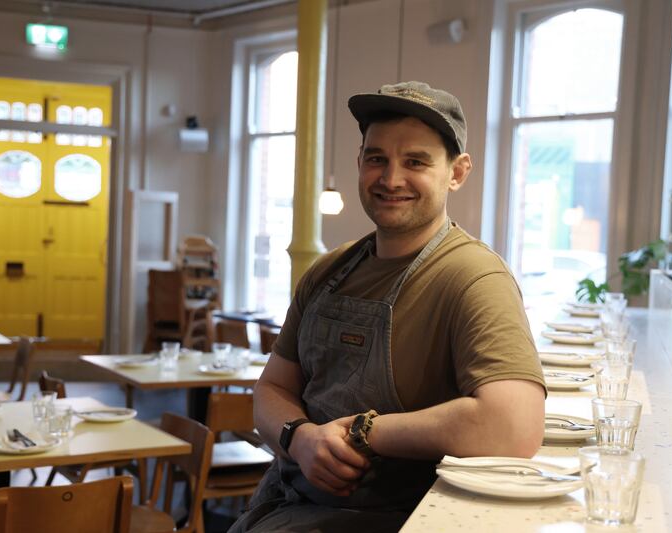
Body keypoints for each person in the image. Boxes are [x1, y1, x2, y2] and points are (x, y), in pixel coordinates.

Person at [229, 81, 546, 532]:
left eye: (415, 161)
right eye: (377, 158)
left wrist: (363, 433)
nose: (391, 178)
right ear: (359, 163)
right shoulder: (328, 271)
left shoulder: (473, 278)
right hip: (285, 501)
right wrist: (299, 438)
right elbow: (271, 389)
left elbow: (513, 427)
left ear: (457, 172)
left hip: (390, 519)